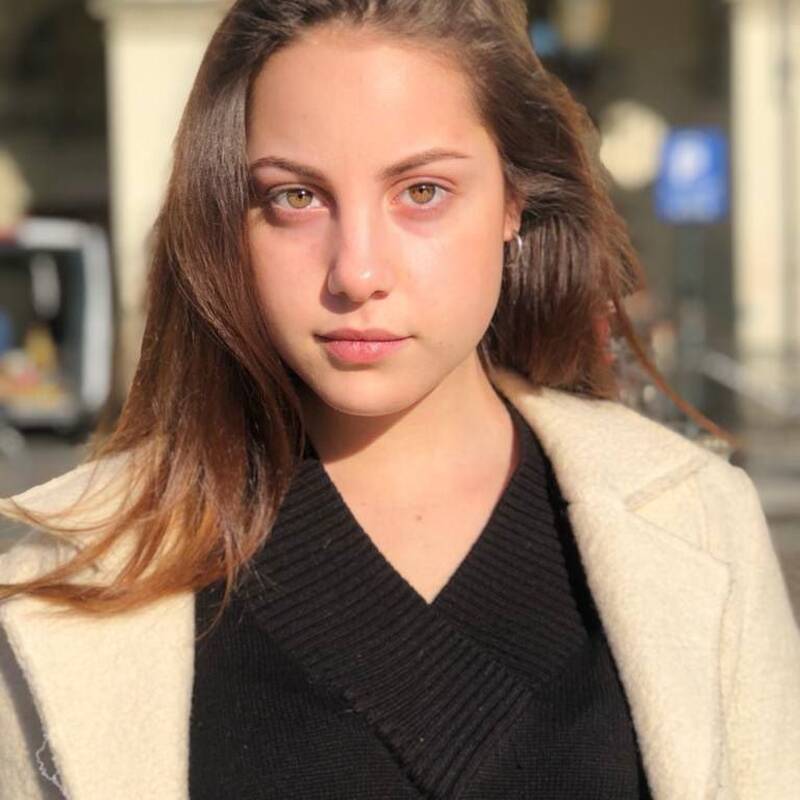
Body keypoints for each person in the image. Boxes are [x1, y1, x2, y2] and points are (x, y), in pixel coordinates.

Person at [1, 1, 798, 798]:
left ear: (514, 199)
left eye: (422, 190)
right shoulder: (66, 577)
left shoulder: (696, 522)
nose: (356, 272)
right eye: (296, 197)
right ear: (227, 218)